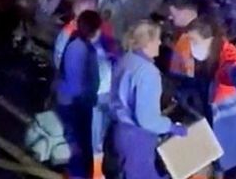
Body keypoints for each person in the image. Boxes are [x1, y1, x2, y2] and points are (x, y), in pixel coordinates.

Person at [176, 18, 236, 179]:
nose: (191, 46)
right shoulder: (213, 58)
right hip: (227, 131)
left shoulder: (229, 58)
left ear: (209, 40)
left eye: (194, 41)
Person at [105, 20, 187, 179]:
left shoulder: (126, 59)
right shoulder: (149, 73)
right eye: (157, 38)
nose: (160, 42)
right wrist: (171, 127)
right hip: (137, 138)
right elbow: (146, 120)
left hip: (118, 131)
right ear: (146, 43)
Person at [56, 10, 103, 179]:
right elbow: (76, 82)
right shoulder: (80, 49)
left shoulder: (80, 45)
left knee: (78, 145)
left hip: (74, 103)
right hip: (74, 105)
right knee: (77, 146)